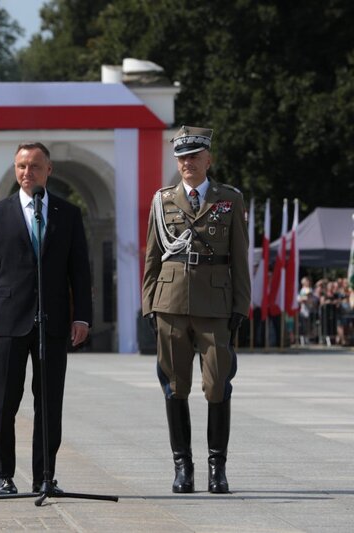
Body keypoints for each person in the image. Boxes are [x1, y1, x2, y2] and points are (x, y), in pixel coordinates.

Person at [0, 142, 92, 495]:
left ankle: (45, 475)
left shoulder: (67, 213)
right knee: (5, 399)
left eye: (35, 166)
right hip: (9, 320)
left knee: (49, 402)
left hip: (52, 322)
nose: (28, 173)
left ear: (48, 170)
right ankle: (4, 474)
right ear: (15, 169)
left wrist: (81, 316)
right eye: (22, 166)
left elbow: (79, 271)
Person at [142, 125, 250, 494]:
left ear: (208, 159)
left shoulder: (229, 199)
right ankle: (182, 467)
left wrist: (240, 305)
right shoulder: (163, 200)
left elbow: (239, 256)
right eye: (182, 157)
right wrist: (148, 306)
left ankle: (216, 468)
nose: (187, 163)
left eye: (194, 156)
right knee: (175, 387)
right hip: (170, 304)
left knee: (218, 385)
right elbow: (152, 258)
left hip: (216, 306)